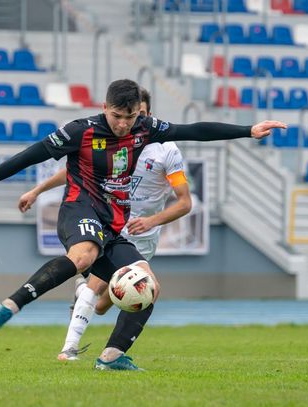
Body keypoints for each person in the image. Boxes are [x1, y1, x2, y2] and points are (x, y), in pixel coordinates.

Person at [0, 78, 287, 371]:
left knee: (148, 285)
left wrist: (248, 130)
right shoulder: (80, 130)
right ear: (105, 108)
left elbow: (193, 131)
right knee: (84, 256)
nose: (123, 124)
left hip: (114, 222)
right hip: (79, 208)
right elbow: (32, 154)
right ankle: (8, 307)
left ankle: (112, 356)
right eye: (117, 116)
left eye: (129, 117)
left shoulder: (145, 128)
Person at [17, 88, 192, 362]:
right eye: (123, 116)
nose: (127, 123)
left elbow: (184, 203)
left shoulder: (166, 151)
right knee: (97, 287)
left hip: (144, 236)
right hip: (112, 224)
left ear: (148, 115)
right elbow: (73, 171)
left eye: (137, 115)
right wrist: (37, 190)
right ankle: (71, 349)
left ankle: (82, 294)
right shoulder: (112, 142)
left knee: (102, 305)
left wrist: (150, 221)